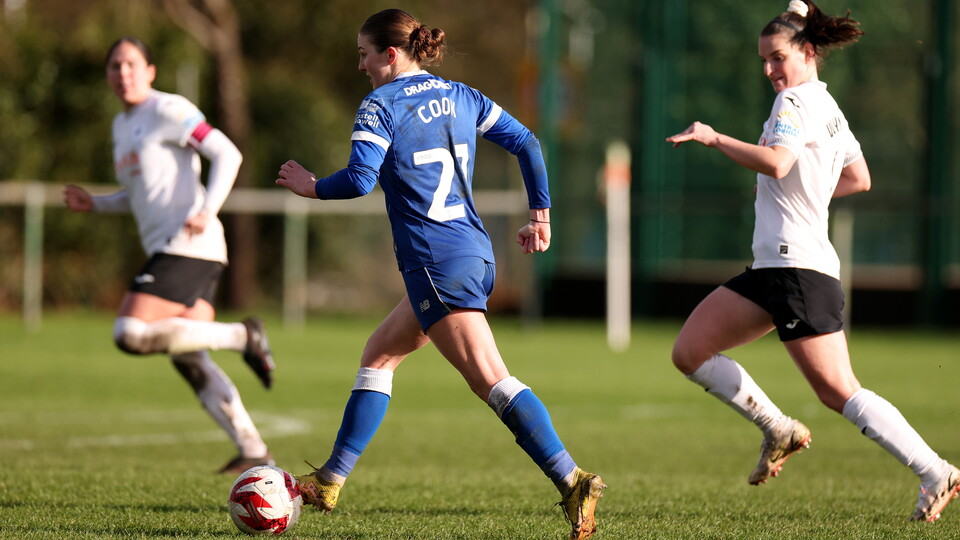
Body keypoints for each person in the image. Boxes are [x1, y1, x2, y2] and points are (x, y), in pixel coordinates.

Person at [275, 9, 605, 539]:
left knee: (491, 380)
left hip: (435, 263)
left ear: (390, 54)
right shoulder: (462, 95)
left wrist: (312, 186)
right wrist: (540, 215)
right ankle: (331, 480)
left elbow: (360, 179)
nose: (360, 66)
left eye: (364, 54)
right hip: (473, 254)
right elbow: (527, 141)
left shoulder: (380, 105)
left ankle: (573, 479)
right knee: (379, 355)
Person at [665, 0, 958, 523]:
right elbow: (859, 178)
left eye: (777, 57)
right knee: (690, 351)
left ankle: (936, 470)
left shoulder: (794, 102)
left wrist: (714, 137)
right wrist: (804, 194)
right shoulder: (829, 107)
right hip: (772, 269)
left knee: (838, 390)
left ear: (807, 52)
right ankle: (777, 428)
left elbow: (779, 163)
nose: (768, 69)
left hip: (797, 270)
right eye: (764, 60)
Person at [63, 37, 277, 475]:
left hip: (190, 244)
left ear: (150, 71)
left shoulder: (168, 109)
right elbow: (139, 195)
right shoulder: (122, 125)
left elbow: (227, 153)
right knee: (189, 356)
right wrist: (96, 203)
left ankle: (243, 336)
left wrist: (207, 209)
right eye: (115, 65)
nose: (123, 72)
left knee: (129, 332)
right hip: (178, 248)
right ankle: (253, 449)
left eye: (131, 64)